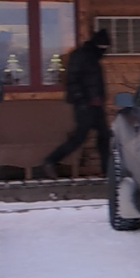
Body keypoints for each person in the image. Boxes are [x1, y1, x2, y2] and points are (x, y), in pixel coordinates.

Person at [42, 29, 111, 178]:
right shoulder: (81, 56)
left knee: (104, 136)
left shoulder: (93, 58)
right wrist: (81, 100)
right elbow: (72, 80)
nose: (105, 51)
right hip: (84, 105)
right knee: (80, 138)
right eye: (103, 47)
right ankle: (50, 160)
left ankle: (107, 171)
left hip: (96, 105)